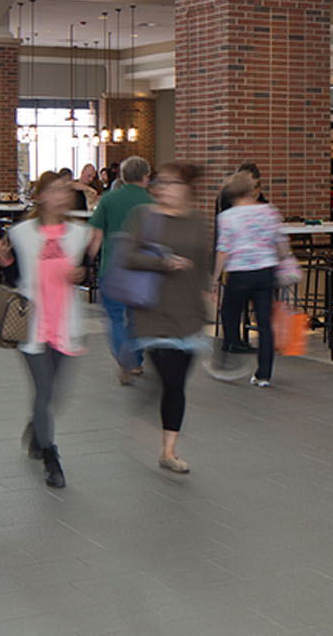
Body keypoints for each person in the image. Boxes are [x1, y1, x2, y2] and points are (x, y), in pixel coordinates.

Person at [123, 161, 215, 474]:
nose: (164, 188)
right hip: (153, 312)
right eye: (162, 182)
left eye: (172, 183)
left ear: (188, 188)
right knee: (172, 379)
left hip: (189, 315)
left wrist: (209, 291)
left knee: (177, 385)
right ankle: (168, 447)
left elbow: (204, 262)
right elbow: (129, 257)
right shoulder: (145, 217)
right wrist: (164, 263)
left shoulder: (198, 222)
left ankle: (168, 450)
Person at [9, 170, 90, 488]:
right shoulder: (21, 233)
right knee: (44, 391)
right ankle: (50, 456)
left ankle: (36, 430)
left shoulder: (78, 234)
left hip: (66, 324)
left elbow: (86, 275)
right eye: (54, 190)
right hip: (32, 325)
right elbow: (13, 278)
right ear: (40, 196)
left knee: (55, 395)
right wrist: (4, 261)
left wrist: (82, 274)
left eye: (65, 191)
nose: (61, 196)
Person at [212, 171, 291, 387]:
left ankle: (227, 362)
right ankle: (263, 374)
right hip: (266, 271)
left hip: (240, 273)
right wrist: (284, 261)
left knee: (230, 315)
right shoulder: (268, 211)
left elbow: (223, 250)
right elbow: (280, 243)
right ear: (251, 191)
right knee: (265, 323)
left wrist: (215, 278)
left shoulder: (227, 217)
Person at [87, 155, 154, 385]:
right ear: (146, 177)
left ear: (122, 177)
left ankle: (124, 359)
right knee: (137, 319)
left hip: (113, 268)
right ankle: (135, 360)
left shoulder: (108, 199)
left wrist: (87, 263)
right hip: (142, 271)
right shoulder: (152, 203)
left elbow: (95, 237)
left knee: (115, 318)